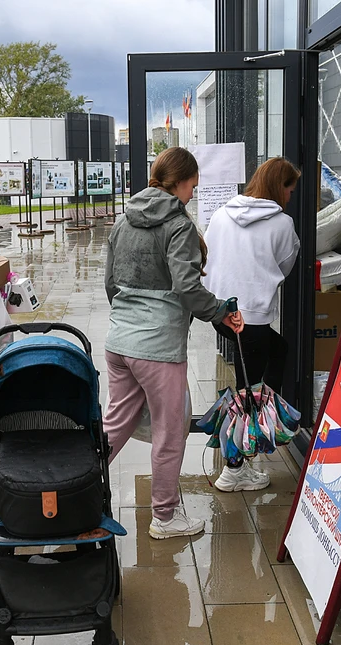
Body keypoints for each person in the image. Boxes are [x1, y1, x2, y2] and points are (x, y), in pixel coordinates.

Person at [104, 146, 245, 540]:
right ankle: (164, 517)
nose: (192, 194)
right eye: (192, 187)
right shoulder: (178, 226)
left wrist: (129, 318)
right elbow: (186, 287)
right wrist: (220, 311)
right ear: (181, 181)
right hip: (158, 349)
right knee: (170, 434)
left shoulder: (123, 220)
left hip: (119, 343)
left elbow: (111, 284)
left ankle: (78, 485)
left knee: (115, 423)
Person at [202, 156, 301, 492]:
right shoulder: (282, 224)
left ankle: (260, 417)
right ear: (278, 187)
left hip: (222, 313)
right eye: (289, 188)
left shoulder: (220, 215)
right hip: (252, 320)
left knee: (277, 353)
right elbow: (285, 266)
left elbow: (208, 256)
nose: (290, 196)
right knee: (246, 390)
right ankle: (233, 468)